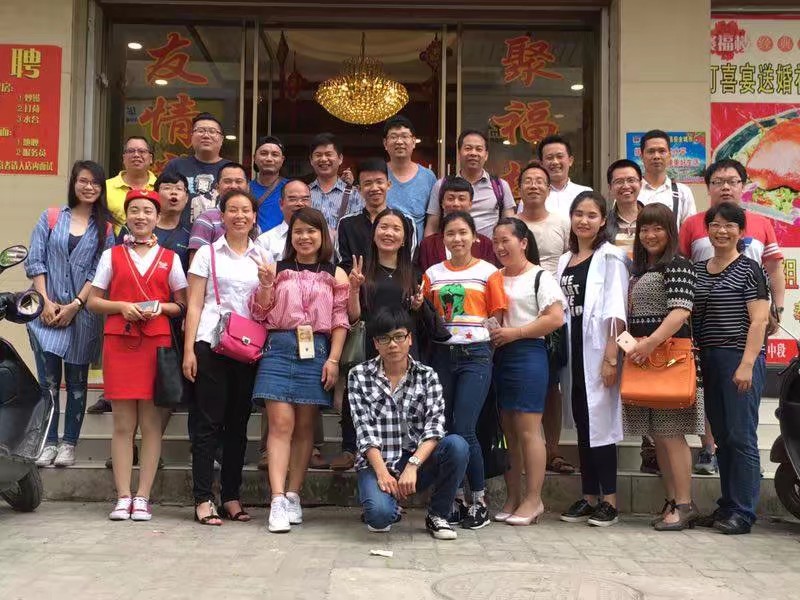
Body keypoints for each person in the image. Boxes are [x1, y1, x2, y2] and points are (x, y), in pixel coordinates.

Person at [87, 189, 188, 521]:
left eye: (147, 211)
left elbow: (182, 304)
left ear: (157, 218)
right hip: (120, 343)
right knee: (122, 424)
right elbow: (94, 301)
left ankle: (143, 496)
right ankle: (122, 496)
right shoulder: (112, 255)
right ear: (126, 216)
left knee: (151, 424)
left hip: (155, 345)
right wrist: (122, 307)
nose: (141, 216)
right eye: (135, 210)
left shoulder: (170, 258)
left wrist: (160, 308)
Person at [679, 158, 784, 476]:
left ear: (743, 185)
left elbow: (774, 269)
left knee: (741, 420)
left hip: (746, 331)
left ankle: (743, 488)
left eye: (732, 181)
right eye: (718, 182)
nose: (725, 187)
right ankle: (709, 450)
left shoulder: (761, 224)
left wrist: (776, 309)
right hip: (707, 333)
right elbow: (683, 271)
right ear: (708, 187)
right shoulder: (693, 224)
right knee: (716, 411)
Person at [249, 207, 349, 533]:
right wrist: (266, 286)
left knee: (305, 426)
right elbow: (260, 312)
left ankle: (294, 494)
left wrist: (333, 360)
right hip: (278, 347)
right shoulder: (276, 269)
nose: (304, 237)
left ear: (323, 236)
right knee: (280, 424)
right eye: (298, 231)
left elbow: (340, 320)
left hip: (316, 350)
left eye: (311, 231)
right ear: (290, 236)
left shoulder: (336, 274)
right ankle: (277, 499)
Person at [348, 307, 469, 539]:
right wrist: (382, 473)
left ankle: (438, 515)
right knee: (379, 518)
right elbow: (364, 431)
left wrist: (412, 465)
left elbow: (435, 428)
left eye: (398, 336)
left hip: (417, 461)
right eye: (384, 339)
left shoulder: (427, 376)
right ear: (375, 344)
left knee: (457, 445)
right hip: (378, 462)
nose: (392, 344)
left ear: (409, 339)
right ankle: (387, 505)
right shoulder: (359, 375)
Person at [182, 189, 263, 526]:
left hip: (247, 347)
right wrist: (188, 349)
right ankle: (203, 499)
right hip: (210, 344)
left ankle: (231, 496)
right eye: (232, 210)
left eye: (246, 210)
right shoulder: (207, 253)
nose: (239, 216)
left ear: (254, 217)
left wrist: (269, 284)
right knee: (208, 424)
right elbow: (195, 304)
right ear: (222, 215)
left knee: (238, 426)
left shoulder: (263, 254)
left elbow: (265, 305)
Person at [422, 211, 507, 530]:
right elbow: (425, 315)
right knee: (443, 427)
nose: (457, 239)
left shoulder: (489, 272)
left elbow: (497, 317)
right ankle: (454, 498)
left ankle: (479, 501)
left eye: (462, 233)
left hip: (476, 355)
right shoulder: (432, 274)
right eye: (450, 233)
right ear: (442, 239)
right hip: (442, 355)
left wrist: (487, 352)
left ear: (475, 238)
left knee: (465, 428)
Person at [623, 203, 705, 530]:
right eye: (644, 229)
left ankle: (685, 504)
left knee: (672, 434)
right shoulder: (643, 269)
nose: (650, 235)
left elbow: (680, 311)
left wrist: (649, 343)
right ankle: (672, 500)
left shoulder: (678, 264)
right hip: (647, 361)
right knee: (659, 436)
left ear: (670, 232)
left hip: (669, 360)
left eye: (657, 228)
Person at [26, 160, 113, 467]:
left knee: (77, 384)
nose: (89, 187)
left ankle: (69, 444)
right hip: (46, 313)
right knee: (47, 383)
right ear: (74, 183)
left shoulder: (106, 228)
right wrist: (45, 301)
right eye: (83, 181)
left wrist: (75, 304)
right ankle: (48, 442)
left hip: (82, 315)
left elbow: (99, 272)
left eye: (95, 183)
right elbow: (36, 261)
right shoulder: (51, 217)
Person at [691, 202, 770, 535]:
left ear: (741, 231)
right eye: (715, 225)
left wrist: (747, 364)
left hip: (739, 358)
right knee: (723, 436)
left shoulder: (750, 269)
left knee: (741, 436)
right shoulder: (698, 269)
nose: (721, 231)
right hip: (709, 359)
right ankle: (728, 505)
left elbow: (760, 320)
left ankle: (744, 512)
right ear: (707, 229)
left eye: (729, 225)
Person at [556, 191, 628, 527]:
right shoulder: (564, 260)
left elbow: (616, 308)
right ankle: (588, 497)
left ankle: (609, 501)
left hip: (600, 349)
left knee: (601, 424)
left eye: (591, 215)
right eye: (578, 214)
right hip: (573, 349)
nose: (583, 221)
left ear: (603, 221)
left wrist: (611, 357)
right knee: (584, 422)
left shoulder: (611, 256)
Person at [490, 218, 566, 525]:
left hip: (528, 355)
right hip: (499, 355)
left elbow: (555, 318)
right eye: (496, 241)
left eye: (506, 240)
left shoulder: (540, 277)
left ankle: (534, 500)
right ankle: (513, 497)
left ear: (523, 242)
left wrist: (516, 333)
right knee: (508, 432)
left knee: (528, 430)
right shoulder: (494, 276)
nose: (500, 247)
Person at [338, 207, 422, 471]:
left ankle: (400, 453)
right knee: (358, 395)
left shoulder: (414, 273)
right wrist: (354, 289)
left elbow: (419, 316)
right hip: (369, 343)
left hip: (402, 346)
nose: (389, 233)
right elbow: (354, 316)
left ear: (405, 239)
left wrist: (418, 305)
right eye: (384, 227)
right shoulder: (362, 270)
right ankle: (350, 448)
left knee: (402, 398)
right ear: (374, 234)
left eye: (396, 229)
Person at [516, 161, 573, 475]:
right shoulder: (511, 223)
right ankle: (522, 450)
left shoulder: (562, 222)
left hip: (552, 312)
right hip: (517, 312)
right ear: (519, 188)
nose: (534, 185)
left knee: (552, 385)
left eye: (540, 181)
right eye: (528, 180)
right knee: (520, 382)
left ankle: (552, 450)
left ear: (549, 189)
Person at [425, 130, 515, 238]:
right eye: (468, 148)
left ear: (486, 155)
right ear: (459, 153)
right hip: (451, 246)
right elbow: (432, 227)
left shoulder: (500, 186)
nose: (473, 153)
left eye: (479, 149)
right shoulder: (441, 185)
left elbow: (511, 227)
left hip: (489, 248)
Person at [336, 158, 416, 273]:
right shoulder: (346, 223)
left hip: (396, 283)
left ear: (388, 185)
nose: (374, 188)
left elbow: (410, 263)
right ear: (359, 189)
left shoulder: (406, 221)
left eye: (379, 182)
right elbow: (343, 265)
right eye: (368, 183)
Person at [160, 112, 231, 223]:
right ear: (191, 137)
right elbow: (161, 201)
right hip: (180, 232)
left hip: (220, 231)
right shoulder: (175, 166)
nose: (206, 136)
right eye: (200, 131)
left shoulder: (231, 169)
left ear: (221, 139)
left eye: (212, 131)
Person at [417, 176, 499, 272]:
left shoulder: (485, 244)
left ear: (470, 204)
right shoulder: (428, 245)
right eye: (450, 198)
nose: (456, 203)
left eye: (461, 199)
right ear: (442, 203)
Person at [384, 115, 437, 242]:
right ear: (385, 143)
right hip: (382, 248)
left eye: (404, 136)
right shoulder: (378, 174)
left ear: (413, 142)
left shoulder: (428, 177)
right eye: (393, 137)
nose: (399, 141)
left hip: (416, 251)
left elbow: (432, 222)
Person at [518, 134, 591, 219]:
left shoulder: (586, 193)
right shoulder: (531, 196)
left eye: (560, 156)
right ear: (541, 164)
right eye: (549, 158)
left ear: (570, 161)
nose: (555, 162)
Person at [188, 162, 252, 253]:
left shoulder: (251, 219)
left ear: (247, 187)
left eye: (238, 181)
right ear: (217, 187)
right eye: (227, 181)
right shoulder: (205, 219)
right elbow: (196, 259)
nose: (233, 186)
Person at [637, 129, 696, 228]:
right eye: (651, 151)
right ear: (641, 156)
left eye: (662, 151)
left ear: (669, 155)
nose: (656, 156)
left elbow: (689, 230)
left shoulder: (683, 192)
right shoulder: (631, 190)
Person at [308, 133, 364, 234]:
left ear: (340, 158)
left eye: (328, 154)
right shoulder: (304, 194)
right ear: (311, 160)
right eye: (318, 155)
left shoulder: (355, 195)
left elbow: (358, 231)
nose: (323, 159)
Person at [106, 137, 157, 234]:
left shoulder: (160, 187)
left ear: (150, 158)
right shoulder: (106, 187)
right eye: (131, 151)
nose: (136, 155)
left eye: (142, 151)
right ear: (124, 158)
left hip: (154, 242)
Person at [256, 180, 312, 268]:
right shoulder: (265, 241)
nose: (299, 203)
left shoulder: (322, 236)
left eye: (305, 199)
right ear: (281, 204)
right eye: (293, 199)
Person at [250, 135, 288, 233]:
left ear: (282, 160)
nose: (269, 159)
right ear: (254, 158)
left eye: (275, 154)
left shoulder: (291, 188)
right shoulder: (245, 189)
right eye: (264, 153)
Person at [606, 159, 644, 255]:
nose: (626, 186)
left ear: (640, 184)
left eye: (631, 180)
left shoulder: (653, 219)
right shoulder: (603, 223)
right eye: (619, 182)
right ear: (610, 188)